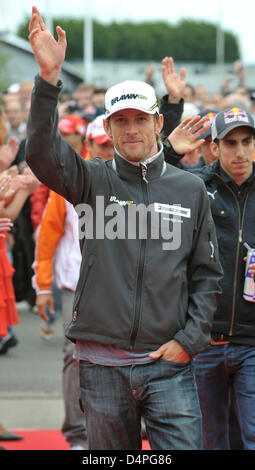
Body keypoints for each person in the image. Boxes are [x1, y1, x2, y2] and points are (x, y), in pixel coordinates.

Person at [26, 7, 222, 450]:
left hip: (169, 364)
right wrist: (48, 79)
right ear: (109, 129)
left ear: (158, 123)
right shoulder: (91, 179)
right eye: (120, 121)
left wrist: (188, 341)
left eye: (139, 119)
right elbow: (40, 154)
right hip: (100, 366)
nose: (131, 129)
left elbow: (207, 274)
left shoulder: (189, 189)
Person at [167, 106, 255, 450]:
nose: (241, 151)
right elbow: (151, 183)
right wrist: (172, 150)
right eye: (230, 143)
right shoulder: (194, 186)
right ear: (214, 147)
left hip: (252, 341)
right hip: (203, 339)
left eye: (247, 142)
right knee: (209, 441)